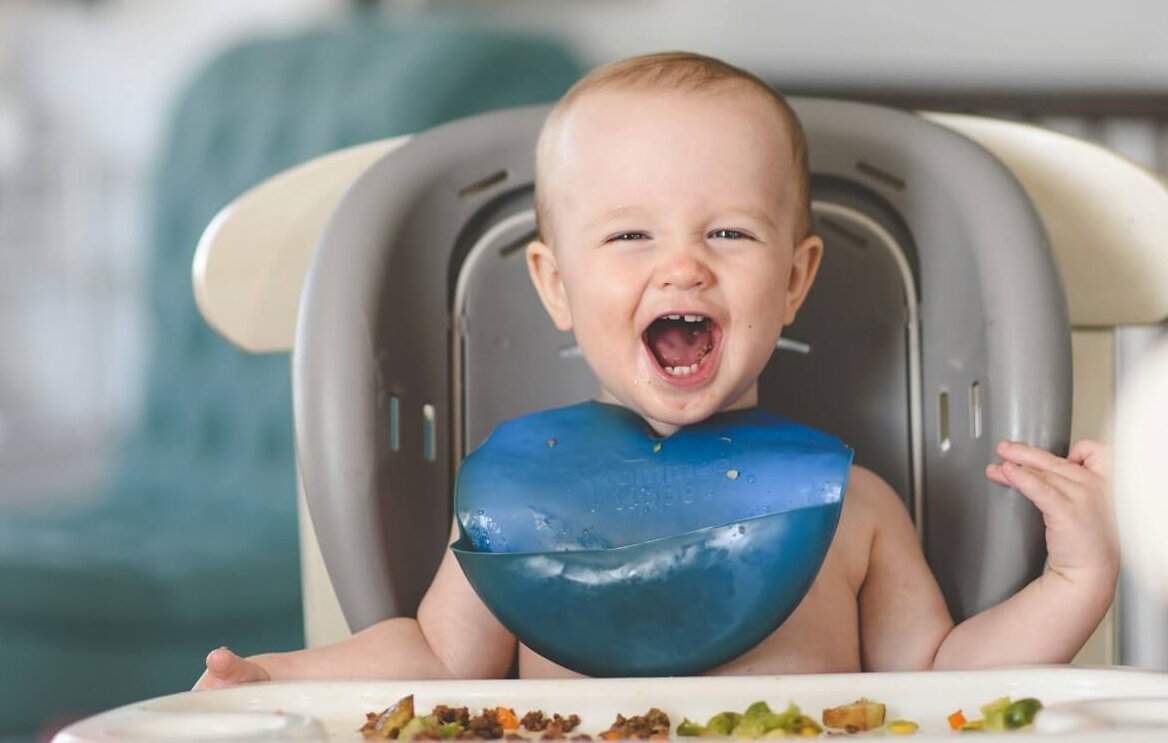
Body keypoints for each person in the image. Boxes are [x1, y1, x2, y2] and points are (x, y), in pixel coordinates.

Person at [196, 51, 1116, 687]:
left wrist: (1073, 583)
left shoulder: (853, 506)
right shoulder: (519, 500)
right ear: (556, 286)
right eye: (631, 235)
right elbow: (439, 658)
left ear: (795, 279)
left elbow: (937, 679)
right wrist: (279, 674)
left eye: (727, 232)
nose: (682, 266)